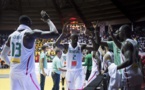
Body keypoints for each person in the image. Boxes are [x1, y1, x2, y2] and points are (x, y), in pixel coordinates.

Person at [1, 10, 58, 90]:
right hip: (26, 73)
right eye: (31, 22)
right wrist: (48, 20)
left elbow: (3, 55)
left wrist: (11, 64)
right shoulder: (29, 34)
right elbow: (55, 33)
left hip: (13, 73)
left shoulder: (11, 36)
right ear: (28, 22)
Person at [55, 23, 99, 90]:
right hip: (69, 71)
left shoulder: (81, 46)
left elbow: (95, 48)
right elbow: (56, 44)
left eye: (77, 38)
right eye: (74, 37)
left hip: (79, 71)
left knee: (78, 88)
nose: (76, 39)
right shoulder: (67, 47)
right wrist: (62, 34)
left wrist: (91, 38)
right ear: (70, 38)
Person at [109, 25, 143, 89]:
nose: (118, 34)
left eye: (119, 32)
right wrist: (112, 35)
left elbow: (129, 60)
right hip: (137, 73)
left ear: (124, 32)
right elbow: (121, 47)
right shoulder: (134, 42)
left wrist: (116, 68)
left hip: (130, 76)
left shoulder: (126, 44)